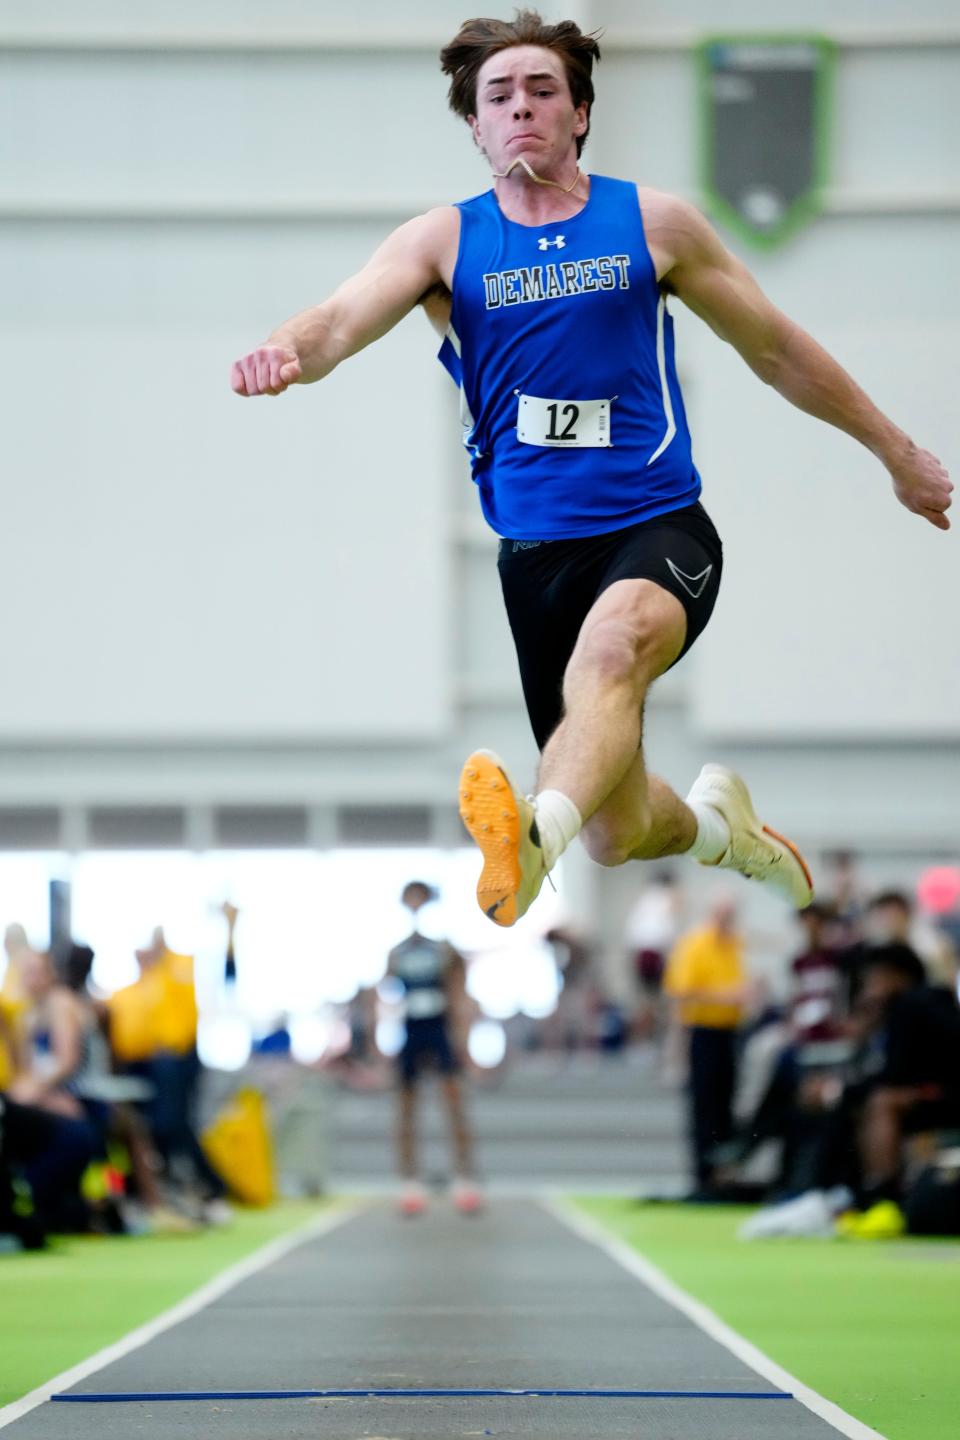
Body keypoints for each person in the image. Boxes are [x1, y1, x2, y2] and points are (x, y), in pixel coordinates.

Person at [230, 11, 952, 930]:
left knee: (612, 654)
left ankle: (532, 840)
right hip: (536, 558)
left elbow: (774, 349)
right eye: (500, 96)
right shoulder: (444, 244)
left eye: (542, 91)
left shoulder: (650, 223)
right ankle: (721, 831)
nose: (522, 107)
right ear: (475, 126)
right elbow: (332, 323)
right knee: (617, 832)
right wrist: (281, 351)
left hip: (657, 525)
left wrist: (896, 453)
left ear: (579, 114)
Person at [387, 881, 481, 1216]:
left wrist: (465, 1043)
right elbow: (384, 998)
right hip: (411, 1029)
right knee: (406, 1108)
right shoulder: (397, 952)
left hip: (440, 1027)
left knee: (453, 1102)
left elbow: (460, 995)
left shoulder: (444, 950)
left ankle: (465, 1179)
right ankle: (410, 1183)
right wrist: (374, 1046)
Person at [662, 895, 752, 1197]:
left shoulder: (734, 945)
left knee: (725, 1105)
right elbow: (683, 993)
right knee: (704, 1107)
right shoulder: (695, 944)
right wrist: (727, 996)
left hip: (730, 1033)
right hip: (702, 1034)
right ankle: (702, 1176)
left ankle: (721, 1175)